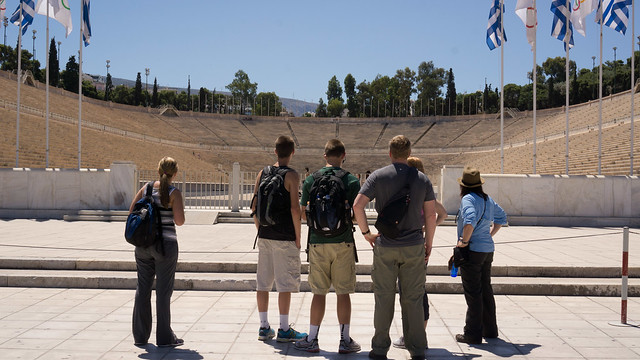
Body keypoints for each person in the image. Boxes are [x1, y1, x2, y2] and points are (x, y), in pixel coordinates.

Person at [353, 135, 437, 360]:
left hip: (386, 245)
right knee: (413, 299)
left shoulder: (378, 176)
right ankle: (417, 350)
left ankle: (380, 348)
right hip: (413, 245)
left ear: (389, 153)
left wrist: (366, 233)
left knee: (384, 298)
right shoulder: (422, 179)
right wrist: (428, 242)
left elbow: (357, 206)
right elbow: (431, 214)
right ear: (409, 154)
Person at [294, 139, 362, 354]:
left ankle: (312, 339)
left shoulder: (310, 180)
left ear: (324, 156)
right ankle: (344, 340)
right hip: (343, 241)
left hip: (317, 242)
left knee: (318, 292)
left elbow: (303, 211)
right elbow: (356, 212)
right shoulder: (351, 180)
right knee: (343, 293)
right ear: (344, 155)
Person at [252, 135, 307, 343]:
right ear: (292, 152)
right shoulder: (292, 175)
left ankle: (264, 327)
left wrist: (260, 229)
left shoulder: (262, 173)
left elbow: (254, 208)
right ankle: (284, 329)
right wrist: (298, 237)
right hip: (285, 237)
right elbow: (295, 209)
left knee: (263, 282)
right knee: (285, 284)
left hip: (265, 235)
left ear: (275, 151)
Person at [392, 156, 447, 350]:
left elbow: (441, 214)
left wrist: (425, 226)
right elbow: (442, 213)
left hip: (408, 245)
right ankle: (418, 333)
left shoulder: (411, 191)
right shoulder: (424, 190)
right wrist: (426, 227)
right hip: (419, 243)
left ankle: (412, 336)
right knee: (417, 290)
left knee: (409, 292)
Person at [130, 156, 185, 347]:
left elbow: (132, 212)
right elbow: (179, 221)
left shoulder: (145, 189)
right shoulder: (173, 192)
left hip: (143, 245)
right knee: (163, 293)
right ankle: (164, 337)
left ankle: (140, 336)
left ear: (158, 170)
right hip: (165, 247)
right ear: (175, 173)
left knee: (142, 288)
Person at [454, 166, 507, 345]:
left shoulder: (468, 199)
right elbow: (502, 217)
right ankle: (490, 330)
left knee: (473, 293)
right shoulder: (487, 199)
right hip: (487, 250)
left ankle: (472, 334)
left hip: (473, 251)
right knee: (485, 290)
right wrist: (488, 235)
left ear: (463, 186)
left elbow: (469, 222)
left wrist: (464, 242)